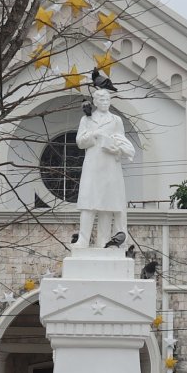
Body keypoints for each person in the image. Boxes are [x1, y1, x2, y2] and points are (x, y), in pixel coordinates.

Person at [72, 83, 137, 249]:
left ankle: (103, 242)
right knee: (88, 203)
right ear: (95, 101)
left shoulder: (116, 120)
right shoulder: (86, 119)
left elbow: (122, 142)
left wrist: (116, 148)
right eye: (101, 98)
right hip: (92, 165)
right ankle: (83, 239)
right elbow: (80, 142)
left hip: (110, 166)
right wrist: (95, 134)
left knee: (107, 205)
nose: (105, 101)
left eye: (107, 98)